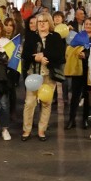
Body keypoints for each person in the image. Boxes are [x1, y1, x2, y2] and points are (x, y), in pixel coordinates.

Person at [20, 13, 65, 142]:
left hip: (49, 75)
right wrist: (36, 58)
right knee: (29, 102)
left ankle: (41, 130)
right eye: (40, 22)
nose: (42, 24)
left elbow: (60, 56)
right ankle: (26, 129)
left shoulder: (55, 37)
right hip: (33, 75)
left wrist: (45, 57)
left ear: (49, 23)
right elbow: (25, 55)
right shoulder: (31, 36)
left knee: (46, 102)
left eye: (45, 21)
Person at [65, 18, 91, 129]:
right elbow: (71, 49)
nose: (88, 25)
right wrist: (78, 52)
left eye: (90, 24)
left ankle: (85, 119)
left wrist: (86, 55)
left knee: (88, 95)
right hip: (78, 68)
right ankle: (71, 119)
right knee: (75, 95)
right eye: (86, 24)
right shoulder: (78, 36)